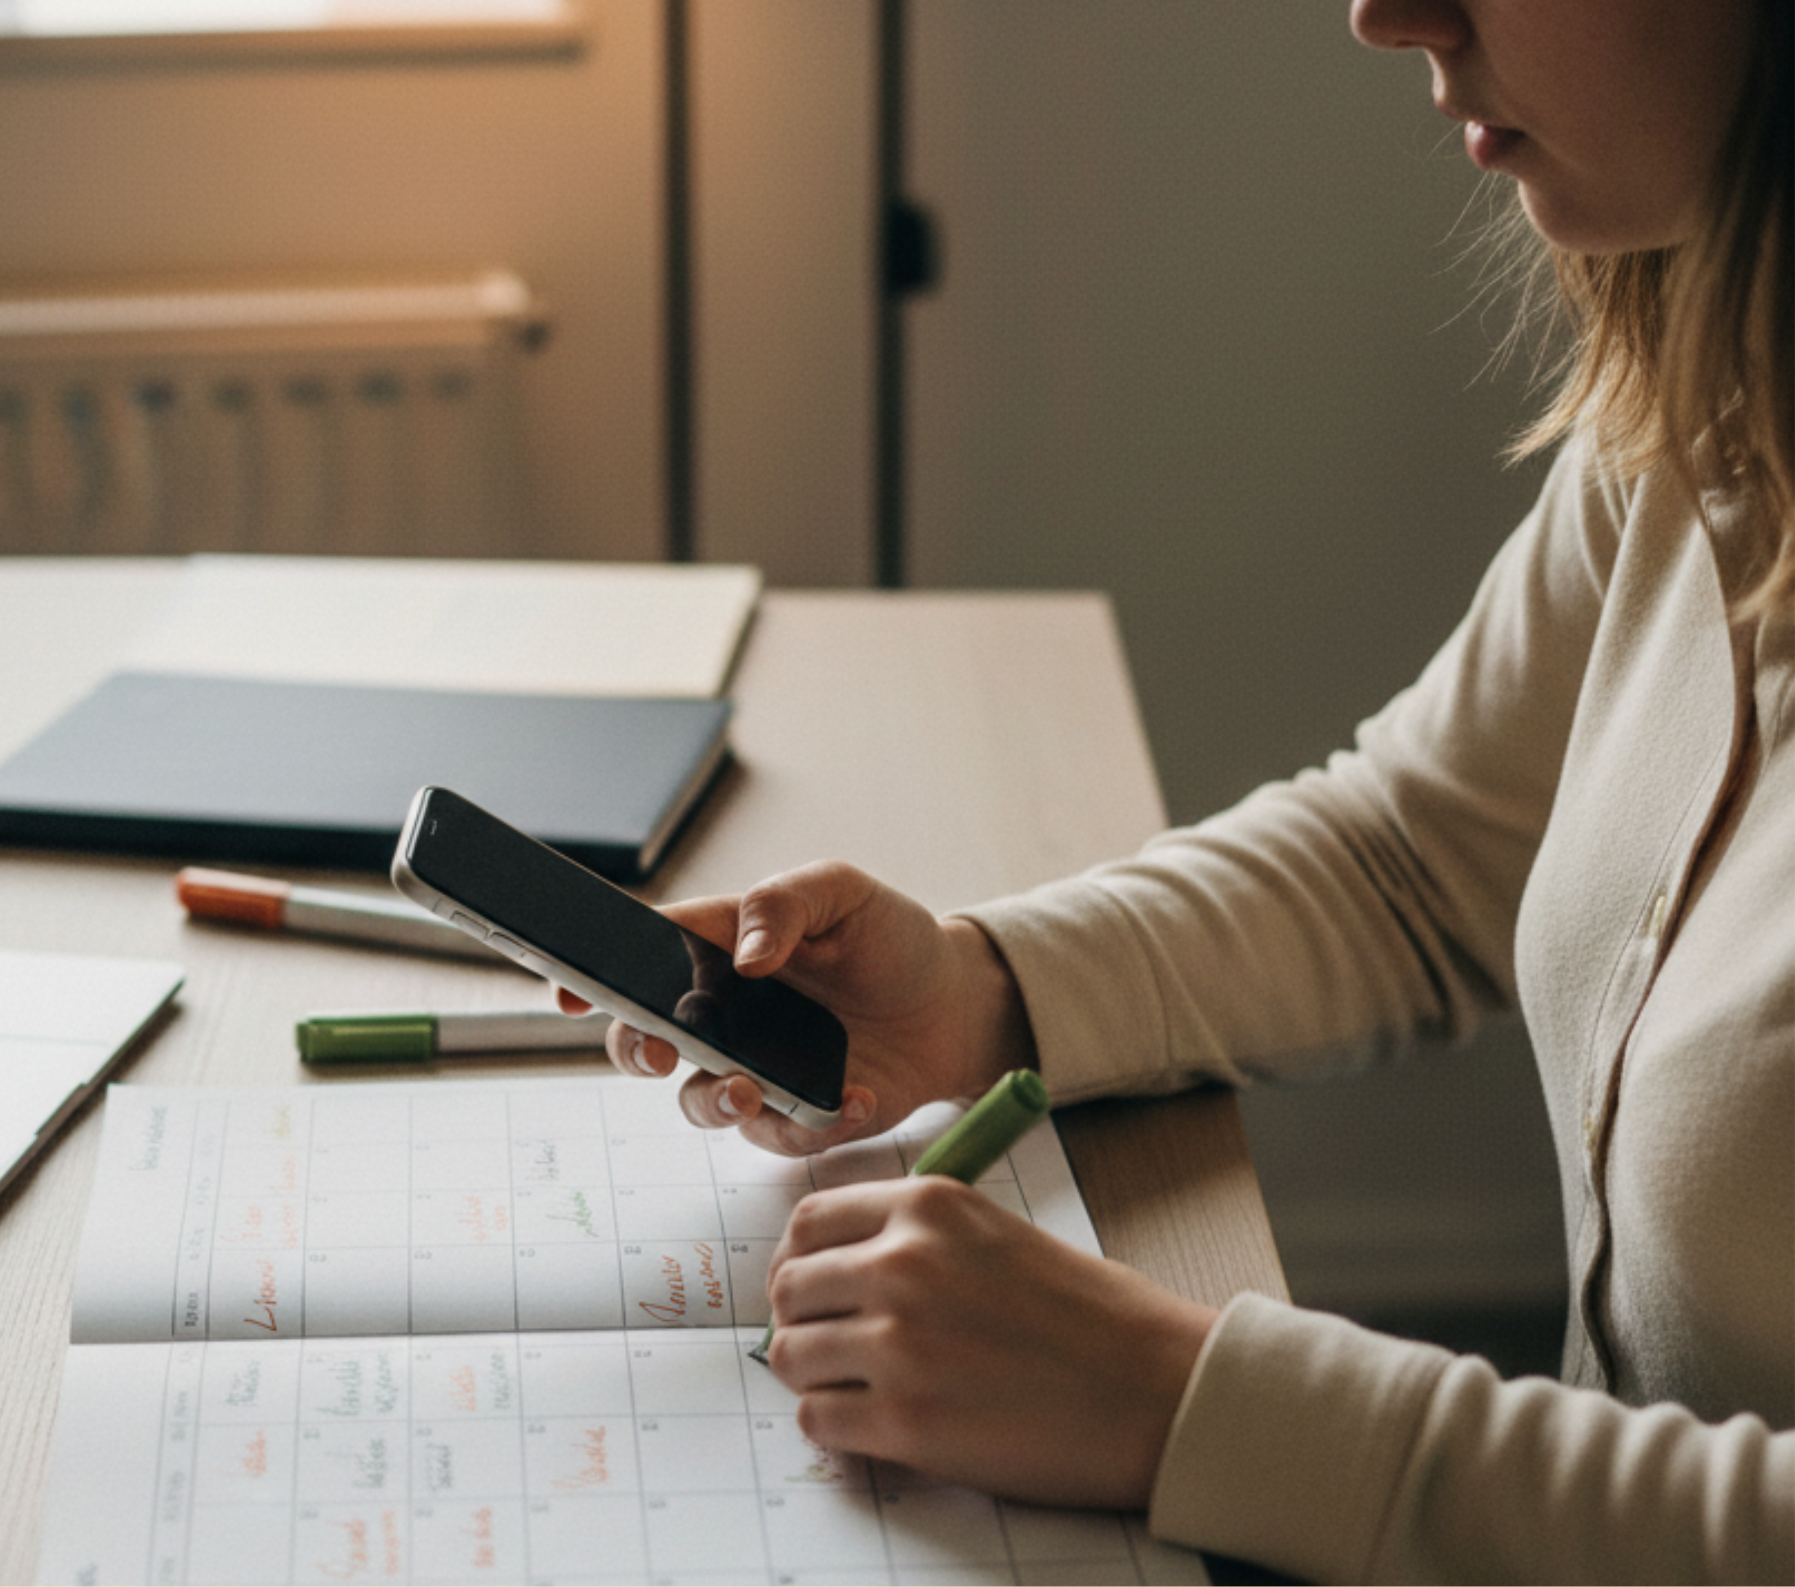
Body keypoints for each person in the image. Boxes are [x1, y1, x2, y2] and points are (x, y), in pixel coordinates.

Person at [564, 0, 1793, 1579]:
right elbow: (1416, 857)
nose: (1384, 13)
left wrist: (1185, 1400)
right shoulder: (1713, 399)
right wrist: (982, 986)